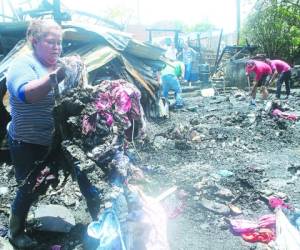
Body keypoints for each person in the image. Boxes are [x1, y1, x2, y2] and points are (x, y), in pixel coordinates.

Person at [6, 19, 100, 248]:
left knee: (87, 179)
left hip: (63, 139)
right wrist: (56, 77)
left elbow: (76, 97)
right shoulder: (22, 65)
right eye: (51, 42)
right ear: (34, 41)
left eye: (60, 43)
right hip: (28, 141)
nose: (57, 47)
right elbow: (27, 94)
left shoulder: (61, 65)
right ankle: (16, 232)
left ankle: (102, 222)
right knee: (28, 187)